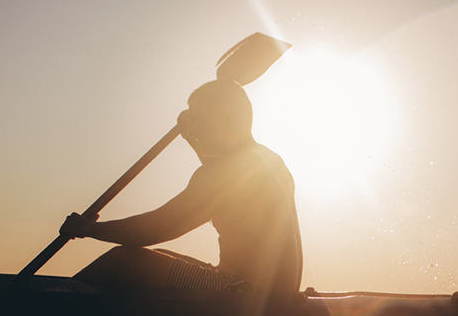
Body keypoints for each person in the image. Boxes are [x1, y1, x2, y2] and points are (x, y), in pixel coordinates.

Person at [59, 79, 302, 300]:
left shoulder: (226, 172)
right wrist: (192, 139)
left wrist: (89, 229)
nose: (194, 127)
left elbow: (160, 226)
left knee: (123, 261)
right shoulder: (267, 160)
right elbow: (214, 183)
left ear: (228, 119)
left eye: (199, 119)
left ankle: (60, 309)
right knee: (161, 255)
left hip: (247, 293)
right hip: (269, 290)